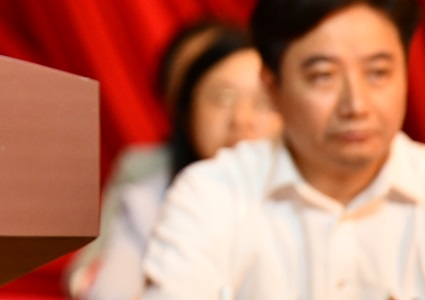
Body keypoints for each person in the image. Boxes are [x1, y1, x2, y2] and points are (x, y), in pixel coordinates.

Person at [142, 0, 425, 299]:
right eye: (323, 76)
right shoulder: (211, 195)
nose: (356, 105)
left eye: (378, 73)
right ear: (272, 88)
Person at [68, 20, 281, 299]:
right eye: (222, 98)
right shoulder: (145, 201)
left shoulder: (316, 195)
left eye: (262, 101)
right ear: (186, 112)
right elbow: (106, 289)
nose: (242, 119)